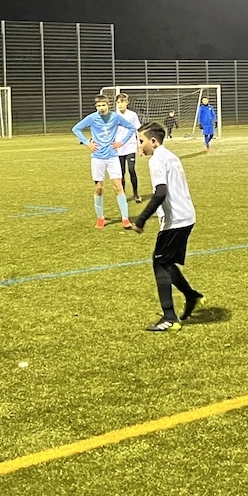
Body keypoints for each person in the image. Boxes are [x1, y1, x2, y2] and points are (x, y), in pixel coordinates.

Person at [127, 121, 203, 332]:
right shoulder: (170, 155)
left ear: (153, 141)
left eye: (141, 141)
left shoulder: (157, 160)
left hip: (175, 220)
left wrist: (141, 219)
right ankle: (191, 296)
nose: (139, 145)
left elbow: (160, 192)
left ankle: (169, 317)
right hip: (186, 216)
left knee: (160, 262)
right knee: (165, 261)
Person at [72, 95, 139, 228]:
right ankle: (100, 218)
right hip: (97, 158)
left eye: (103, 105)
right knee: (99, 188)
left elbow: (131, 128)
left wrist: (121, 142)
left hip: (112, 157)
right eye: (99, 106)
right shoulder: (92, 118)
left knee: (118, 187)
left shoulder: (115, 117)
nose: (101, 108)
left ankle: (125, 218)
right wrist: (87, 143)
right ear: (96, 107)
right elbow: (76, 129)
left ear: (108, 105)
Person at [115, 93, 143, 202]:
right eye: (118, 102)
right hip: (118, 148)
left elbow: (137, 130)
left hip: (130, 146)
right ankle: (122, 195)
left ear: (127, 103)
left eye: (122, 102)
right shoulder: (114, 116)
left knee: (131, 170)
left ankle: (136, 194)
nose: (120, 104)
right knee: (121, 173)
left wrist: (139, 145)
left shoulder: (132, 115)